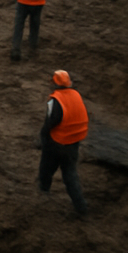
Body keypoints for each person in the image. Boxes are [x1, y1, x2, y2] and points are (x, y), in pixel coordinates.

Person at [38, 70, 89, 215]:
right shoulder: (76, 95)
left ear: (54, 83)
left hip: (57, 141)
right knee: (70, 174)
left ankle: (44, 189)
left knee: (46, 166)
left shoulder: (55, 100)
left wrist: (42, 136)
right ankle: (81, 207)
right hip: (74, 141)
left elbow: (51, 122)